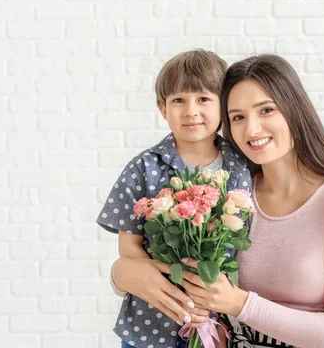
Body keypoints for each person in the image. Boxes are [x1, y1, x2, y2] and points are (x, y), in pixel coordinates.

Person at [175, 54, 324, 347]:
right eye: (238, 117)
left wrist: (241, 304)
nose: (252, 129)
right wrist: (121, 274)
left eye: (266, 110)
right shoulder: (232, 196)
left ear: (294, 110)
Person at [97, 49, 252, 348]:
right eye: (178, 100)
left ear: (223, 106)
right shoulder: (143, 167)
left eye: (204, 99)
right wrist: (178, 289)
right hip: (150, 321)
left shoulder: (241, 166)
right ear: (162, 108)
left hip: (218, 321)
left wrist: (206, 292)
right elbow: (129, 249)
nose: (191, 110)